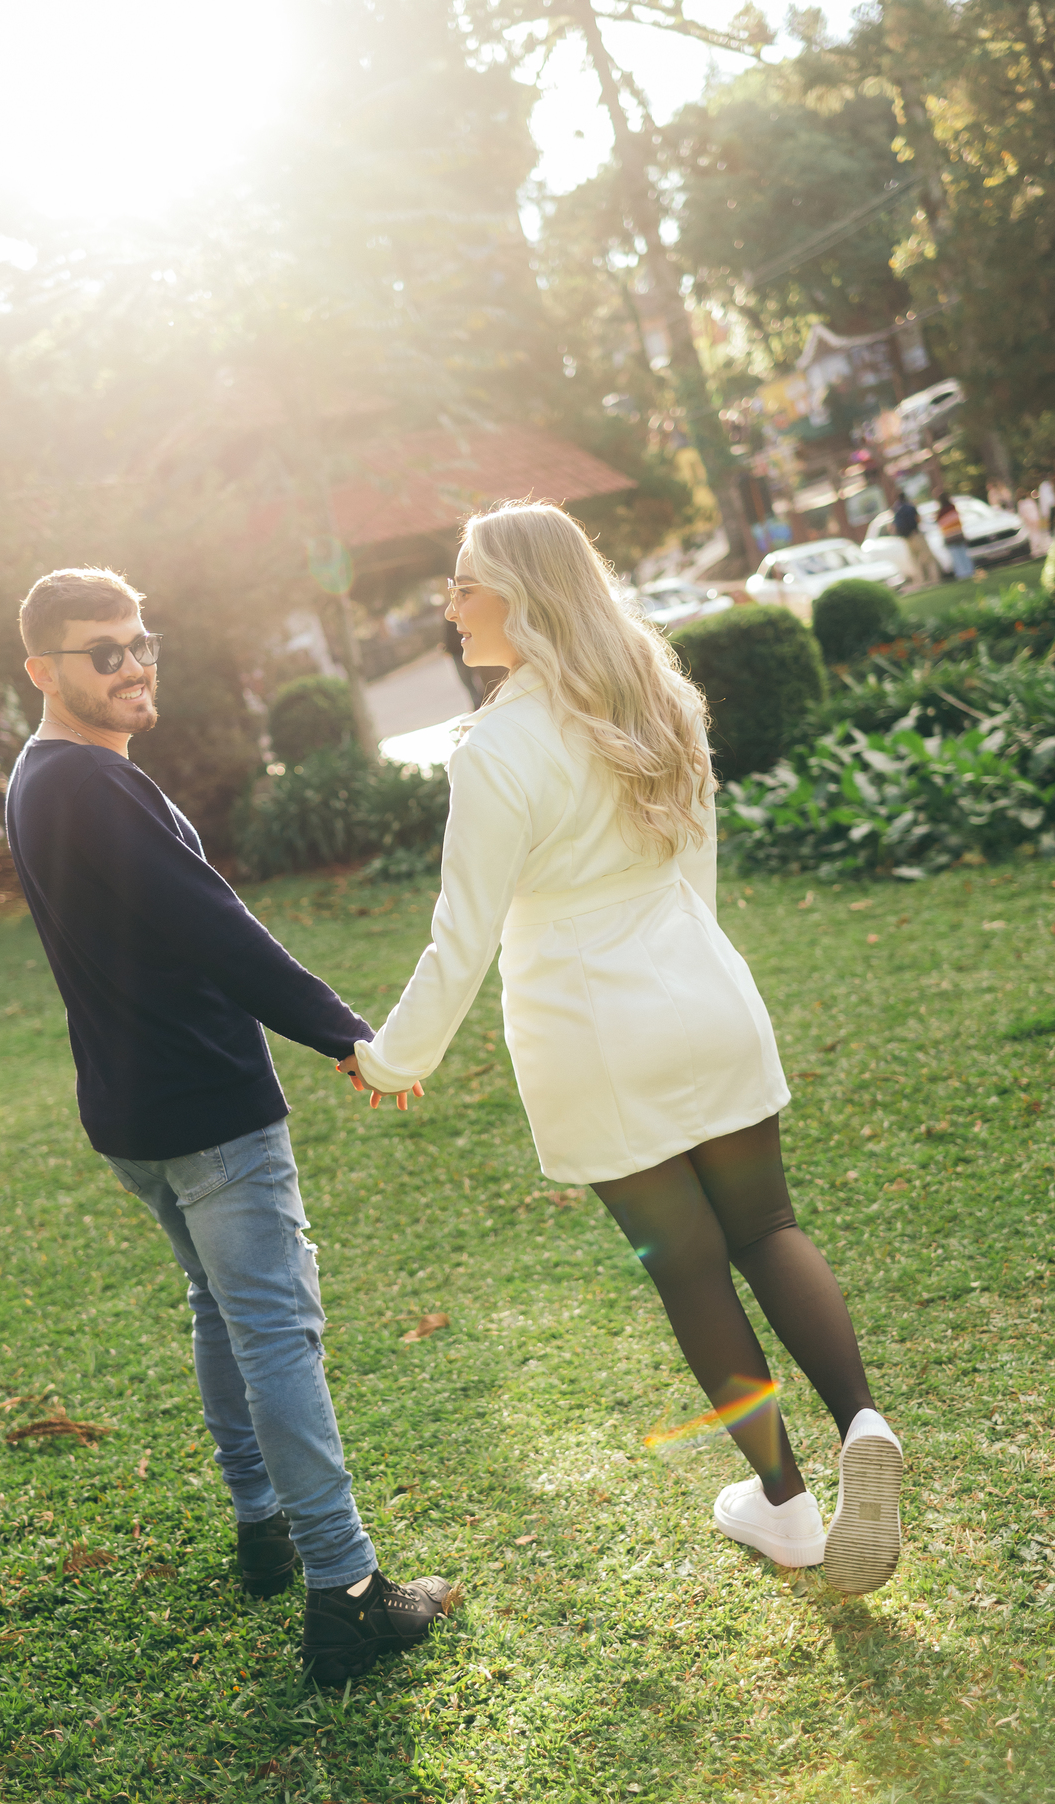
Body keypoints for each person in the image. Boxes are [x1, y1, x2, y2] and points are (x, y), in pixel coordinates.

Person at [338, 504, 903, 1596]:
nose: (448, 607)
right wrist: (694, 963)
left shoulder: (496, 747)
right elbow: (697, 859)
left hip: (592, 1028)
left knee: (688, 1268)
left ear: (522, 594)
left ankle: (786, 1505)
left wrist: (391, 1059)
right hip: (705, 989)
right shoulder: (658, 693)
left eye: (463, 585)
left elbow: (464, 933)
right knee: (769, 1226)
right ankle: (863, 1420)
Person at [5, 566, 454, 1684]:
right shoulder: (91, 785)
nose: (132, 663)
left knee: (221, 1309)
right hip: (204, 1106)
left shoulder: (38, 777)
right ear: (42, 671)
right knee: (276, 1334)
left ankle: (262, 1524)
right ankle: (344, 1590)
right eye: (103, 650)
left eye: (140, 639)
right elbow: (218, 929)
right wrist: (348, 1035)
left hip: (133, 1113)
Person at [892, 493, 941, 587]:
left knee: (915, 560)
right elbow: (918, 519)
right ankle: (934, 579)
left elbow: (894, 525)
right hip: (915, 534)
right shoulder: (910, 507)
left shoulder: (896, 509)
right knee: (928, 557)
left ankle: (921, 581)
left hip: (906, 538)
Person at [935, 492, 975, 579]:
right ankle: (969, 570)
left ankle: (961, 573)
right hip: (958, 534)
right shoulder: (952, 508)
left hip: (949, 536)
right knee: (963, 553)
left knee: (956, 556)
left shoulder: (940, 512)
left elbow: (939, 523)